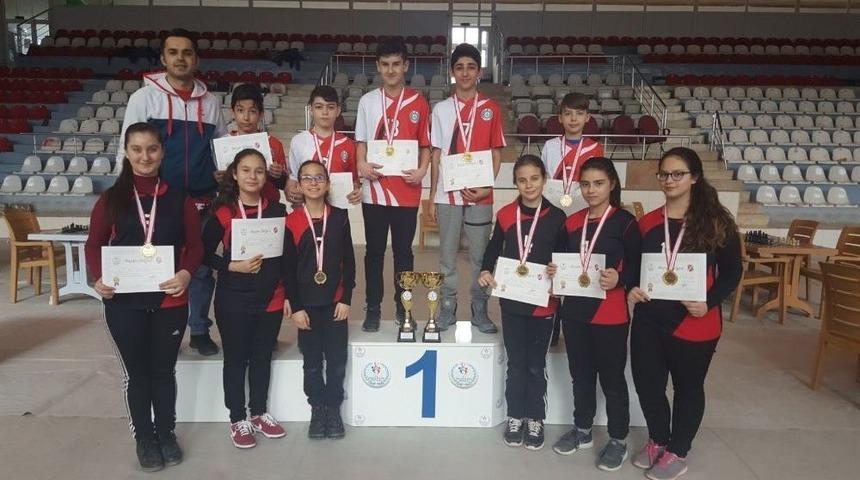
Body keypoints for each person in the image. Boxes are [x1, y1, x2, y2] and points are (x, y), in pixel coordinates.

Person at [85, 123, 203, 472]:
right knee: (137, 376)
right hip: (124, 302)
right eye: (136, 149)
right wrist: (98, 278)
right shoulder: (111, 199)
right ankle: (144, 438)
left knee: (164, 372)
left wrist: (185, 273)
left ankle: (166, 434)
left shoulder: (180, 198)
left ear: (161, 152)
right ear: (126, 152)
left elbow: (195, 245)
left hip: (170, 300)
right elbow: (94, 244)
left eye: (151, 149)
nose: (144, 156)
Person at [627, 147, 742, 480]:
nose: (669, 180)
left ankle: (678, 451)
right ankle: (659, 439)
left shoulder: (716, 224)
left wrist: (709, 300)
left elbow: (733, 272)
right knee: (648, 386)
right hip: (649, 319)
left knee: (688, 388)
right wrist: (629, 288)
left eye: (677, 174)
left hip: (695, 323)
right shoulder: (647, 223)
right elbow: (634, 270)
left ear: (694, 178)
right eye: (664, 174)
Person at [119, 28, 226, 356]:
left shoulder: (211, 103)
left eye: (187, 52)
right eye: (174, 52)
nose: (181, 58)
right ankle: (159, 331)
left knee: (202, 268)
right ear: (163, 58)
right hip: (159, 199)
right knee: (155, 265)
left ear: (196, 59)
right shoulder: (144, 98)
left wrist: (223, 172)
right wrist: (127, 192)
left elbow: (220, 147)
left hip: (202, 198)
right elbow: (127, 147)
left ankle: (198, 329)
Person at [552, 157, 641, 472]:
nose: (591, 190)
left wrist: (622, 278)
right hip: (575, 311)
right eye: (586, 184)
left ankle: (618, 438)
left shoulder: (625, 222)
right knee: (581, 376)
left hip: (610, 314)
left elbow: (640, 265)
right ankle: (583, 430)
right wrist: (554, 269)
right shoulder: (572, 222)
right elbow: (561, 260)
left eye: (598, 183)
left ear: (612, 184)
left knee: (613, 380)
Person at [202, 149, 291, 449]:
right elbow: (201, 254)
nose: (253, 176)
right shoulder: (222, 211)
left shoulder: (277, 210)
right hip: (233, 296)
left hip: (271, 296)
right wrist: (230, 265)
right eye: (246, 170)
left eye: (259, 171)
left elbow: (287, 256)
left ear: (266, 176)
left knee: (262, 357)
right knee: (237, 359)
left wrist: (290, 293)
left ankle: (259, 413)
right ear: (235, 174)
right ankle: (237, 417)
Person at [478, 155, 567, 451]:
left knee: (534, 364)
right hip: (512, 301)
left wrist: (559, 269)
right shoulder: (505, 214)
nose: (528, 185)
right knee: (516, 364)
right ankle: (515, 416)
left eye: (534, 178)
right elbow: (493, 248)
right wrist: (485, 270)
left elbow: (564, 257)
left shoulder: (557, 218)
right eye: (521, 180)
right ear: (515, 182)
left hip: (544, 304)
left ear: (543, 179)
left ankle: (536, 418)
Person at [354, 39, 431, 332]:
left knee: (404, 253)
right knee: (373, 252)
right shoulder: (367, 102)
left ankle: (404, 308)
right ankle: (373, 308)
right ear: (377, 66)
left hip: (407, 190)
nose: (390, 70)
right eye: (385, 65)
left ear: (406, 66)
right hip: (374, 189)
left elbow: (425, 144)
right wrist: (361, 165)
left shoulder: (418, 101)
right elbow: (360, 142)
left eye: (396, 64)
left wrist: (423, 170)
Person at [430, 43, 505, 333]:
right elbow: (437, 154)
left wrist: (487, 188)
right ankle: (447, 309)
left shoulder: (490, 109)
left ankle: (480, 310)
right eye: (459, 67)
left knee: (479, 256)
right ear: (452, 72)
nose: (465, 73)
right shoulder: (441, 109)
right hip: (447, 195)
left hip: (480, 195)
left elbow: (497, 153)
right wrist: (431, 194)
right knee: (446, 257)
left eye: (471, 67)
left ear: (479, 72)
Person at [285, 161, 356, 439]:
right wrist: (296, 307)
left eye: (319, 178)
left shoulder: (340, 217)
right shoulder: (291, 222)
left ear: (327, 184)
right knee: (312, 361)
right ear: (299, 185)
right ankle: (317, 409)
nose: (313, 183)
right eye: (307, 178)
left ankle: (334, 408)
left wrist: (347, 297)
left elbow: (349, 261)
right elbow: (287, 269)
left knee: (337, 360)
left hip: (335, 302)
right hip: (307, 307)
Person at [286, 85, 360, 207]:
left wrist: (356, 192)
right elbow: (293, 177)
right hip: (305, 209)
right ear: (311, 109)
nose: (325, 112)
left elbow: (354, 181)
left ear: (338, 111)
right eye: (319, 107)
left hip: (337, 211)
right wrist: (290, 190)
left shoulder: (348, 144)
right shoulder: (298, 141)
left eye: (330, 107)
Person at [220, 83, 287, 206]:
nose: (246, 117)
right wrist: (218, 178)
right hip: (232, 207)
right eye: (240, 110)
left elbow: (284, 184)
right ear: (233, 112)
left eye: (252, 111)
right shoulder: (223, 144)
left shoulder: (273, 144)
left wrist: (278, 175)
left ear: (261, 114)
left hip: (267, 206)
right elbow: (220, 184)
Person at [541, 93, 604, 186]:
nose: (573, 118)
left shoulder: (595, 148)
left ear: (587, 117)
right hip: (553, 199)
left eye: (579, 113)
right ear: (560, 118)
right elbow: (542, 179)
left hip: (585, 200)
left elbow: (599, 183)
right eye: (567, 114)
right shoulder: (549, 146)